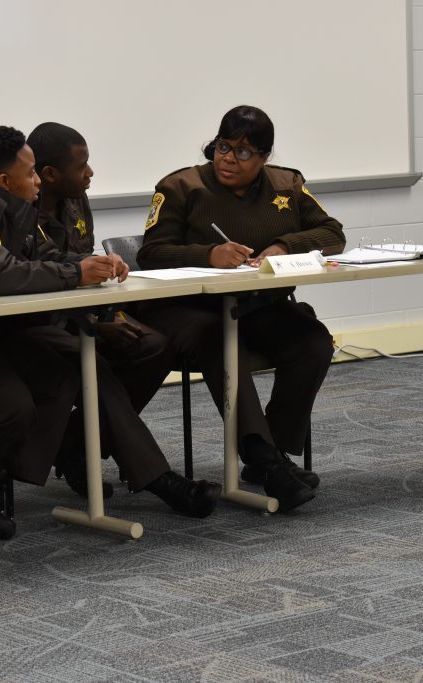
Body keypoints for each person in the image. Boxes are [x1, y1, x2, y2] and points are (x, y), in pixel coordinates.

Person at [0, 125, 219, 539]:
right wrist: (73, 273)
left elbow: (39, 255)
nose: (36, 181)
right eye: (30, 173)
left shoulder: (7, 205)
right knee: (11, 403)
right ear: (4, 179)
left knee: (64, 375)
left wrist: (91, 266)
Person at [137, 105, 346, 512]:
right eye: (222, 147)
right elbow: (151, 254)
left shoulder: (287, 185)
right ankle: (265, 460)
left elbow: (332, 232)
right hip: (191, 310)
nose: (228, 159)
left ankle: (276, 449)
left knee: (313, 342)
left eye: (243, 152)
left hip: (256, 304)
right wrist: (207, 254)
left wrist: (286, 245)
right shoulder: (180, 187)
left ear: (266, 157)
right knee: (222, 343)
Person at [26, 122, 174, 495]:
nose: (90, 173)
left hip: (81, 314)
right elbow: (34, 282)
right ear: (49, 174)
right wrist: (95, 323)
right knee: (94, 362)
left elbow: (81, 261)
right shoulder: (19, 210)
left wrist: (108, 285)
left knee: (154, 345)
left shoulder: (75, 198)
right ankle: (147, 473)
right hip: (38, 324)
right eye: (82, 166)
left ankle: (76, 442)